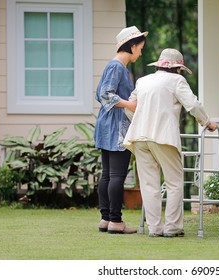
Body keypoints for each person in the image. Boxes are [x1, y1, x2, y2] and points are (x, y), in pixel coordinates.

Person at [123, 48, 218, 237]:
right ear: (177, 68)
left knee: (149, 185)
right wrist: (207, 122)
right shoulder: (176, 81)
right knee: (174, 182)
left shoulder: (143, 81)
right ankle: (173, 228)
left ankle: (155, 229)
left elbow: (130, 106)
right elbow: (192, 104)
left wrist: (140, 120)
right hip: (163, 137)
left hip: (140, 137)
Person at [94, 26, 148, 234]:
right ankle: (115, 222)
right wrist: (130, 105)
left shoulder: (115, 67)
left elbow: (100, 94)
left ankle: (106, 219)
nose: (141, 53)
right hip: (116, 126)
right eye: (140, 48)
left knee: (108, 175)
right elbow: (105, 94)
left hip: (107, 124)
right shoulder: (117, 67)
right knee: (116, 175)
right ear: (132, 46)